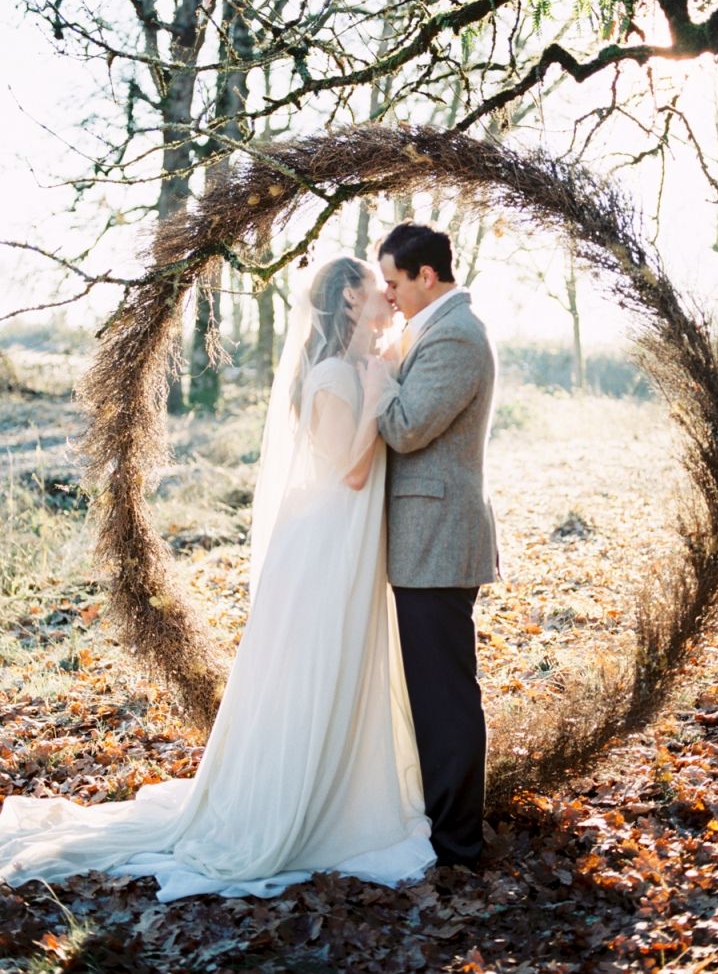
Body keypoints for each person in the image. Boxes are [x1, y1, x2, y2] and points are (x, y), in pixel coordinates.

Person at [0, 257, 435, 902]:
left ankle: (344, 783)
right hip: (324, 546)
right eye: (375, 288)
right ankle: (308, 798)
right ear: (347, 300)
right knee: (318, 665)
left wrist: (387, 370)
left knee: (340, 663)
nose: (386, 297)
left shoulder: (360, 363)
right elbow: (348, 470)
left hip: (345, 540)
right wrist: (375, 399)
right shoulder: (334, 376)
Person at [377, 222, 498, 870]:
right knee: (431, 693)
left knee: (444, 697)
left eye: (395, 282)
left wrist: (358, 378)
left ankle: (458, 845)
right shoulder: (429, 330)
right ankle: (441, 826)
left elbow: (405, 427)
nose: (389, 296)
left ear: (427, 275)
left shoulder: (455, 335)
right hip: (423, 538)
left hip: (439, 540)